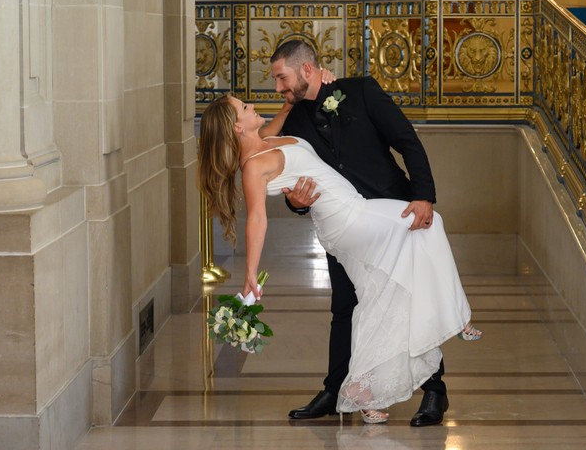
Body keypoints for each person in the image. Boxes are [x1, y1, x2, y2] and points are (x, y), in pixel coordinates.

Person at [198, 94, 481, 424]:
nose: (251, 105)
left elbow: (279, 118)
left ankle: (362, 391)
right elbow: (257, 219)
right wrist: (250, 274)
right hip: (349, 217)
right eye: (244, 108)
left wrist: (292, 101)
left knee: (378, 298)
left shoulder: (263, 141)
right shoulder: (254, 167)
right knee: (429, 222)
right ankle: (458, 316)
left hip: (350, 213)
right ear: (236, 127)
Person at [262, 39, 480, 427]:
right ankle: (335, 389)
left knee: (412, 300)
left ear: (307, 70)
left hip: (394, 218)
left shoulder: (361, 91)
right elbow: (294, 186)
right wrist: (297, 202)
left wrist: (424, 196)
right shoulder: (293, 123)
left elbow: (406, 140)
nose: (278, 87)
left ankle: (434, 392)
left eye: (282, 78)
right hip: (344, 229)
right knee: (344, 307)